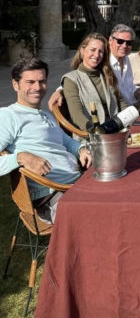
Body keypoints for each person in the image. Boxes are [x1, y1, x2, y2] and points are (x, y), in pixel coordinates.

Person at [0, 58, 91, 221]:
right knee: (103, 217)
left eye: (41, 81)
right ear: (16, 85)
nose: (37, 87)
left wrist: (80, 149)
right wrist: (20, 157)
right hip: (53, 197)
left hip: (79, 183)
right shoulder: (8, 116)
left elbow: (65, 141)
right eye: (30, 82)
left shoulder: (45, 115)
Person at [62, 32, 125, 132]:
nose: (96, 55)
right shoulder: (71, 80)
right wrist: (96, 131)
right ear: (82, 51)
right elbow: (76, 115)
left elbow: (121, 102)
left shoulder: (107, 74)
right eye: (93, 50)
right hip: (91, 136)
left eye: (101, 52)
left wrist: (127, 121)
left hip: (117, 130)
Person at [108, 24, 140, 103]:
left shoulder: (126, 60)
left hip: (134, 107)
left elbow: (129, 88)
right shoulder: (105, 63)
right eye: (120, 41)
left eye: (129, 42)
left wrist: (137, 91)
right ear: (110, 40)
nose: (124, 45)